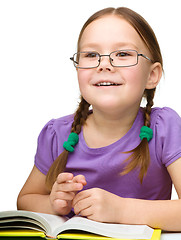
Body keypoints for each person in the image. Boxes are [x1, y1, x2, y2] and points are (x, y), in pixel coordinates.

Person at [17, 7, 181, 231]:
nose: (104, 64)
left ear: (152, 75)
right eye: (91, 55)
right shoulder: (58, 133)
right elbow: (25, 199)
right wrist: (55, 204)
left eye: (123, 54)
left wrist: (120, 210)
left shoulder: (164, 127)